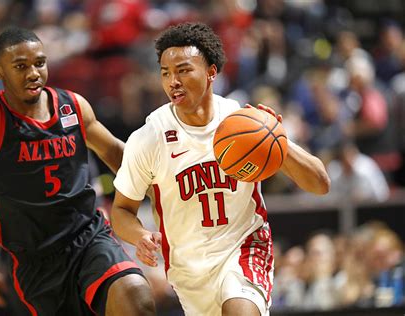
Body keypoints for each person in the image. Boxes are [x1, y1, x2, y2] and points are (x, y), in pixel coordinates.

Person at [0, 27, 155, 315]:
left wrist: (164, 193)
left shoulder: (72, 107)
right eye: (20, 66)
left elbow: (115, 152)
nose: (33, 73)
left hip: (89, 239)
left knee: (136, 297)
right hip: (35, 264)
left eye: (39, 63)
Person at [110, 22, 330, 316]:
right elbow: (122, 211)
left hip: (245, 248)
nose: (173, 81)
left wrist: (277, 141)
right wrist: (140, 235)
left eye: (184, 70)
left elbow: (320, 184)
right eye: (165, 73)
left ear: (211, 72)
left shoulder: (245, 123)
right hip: (189, 270)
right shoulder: (149, 137)